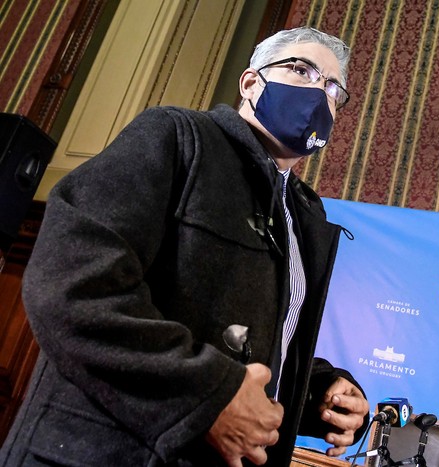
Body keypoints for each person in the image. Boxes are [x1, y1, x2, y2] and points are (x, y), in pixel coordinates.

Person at [0, 27, 369, 466]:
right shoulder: (175, 136)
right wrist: (208, 396)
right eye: (301, 69)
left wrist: (319, 394)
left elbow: (252, 341)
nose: (318, 91)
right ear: (251, 83)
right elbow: (72, 283)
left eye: (332, 87)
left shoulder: (305, 215)